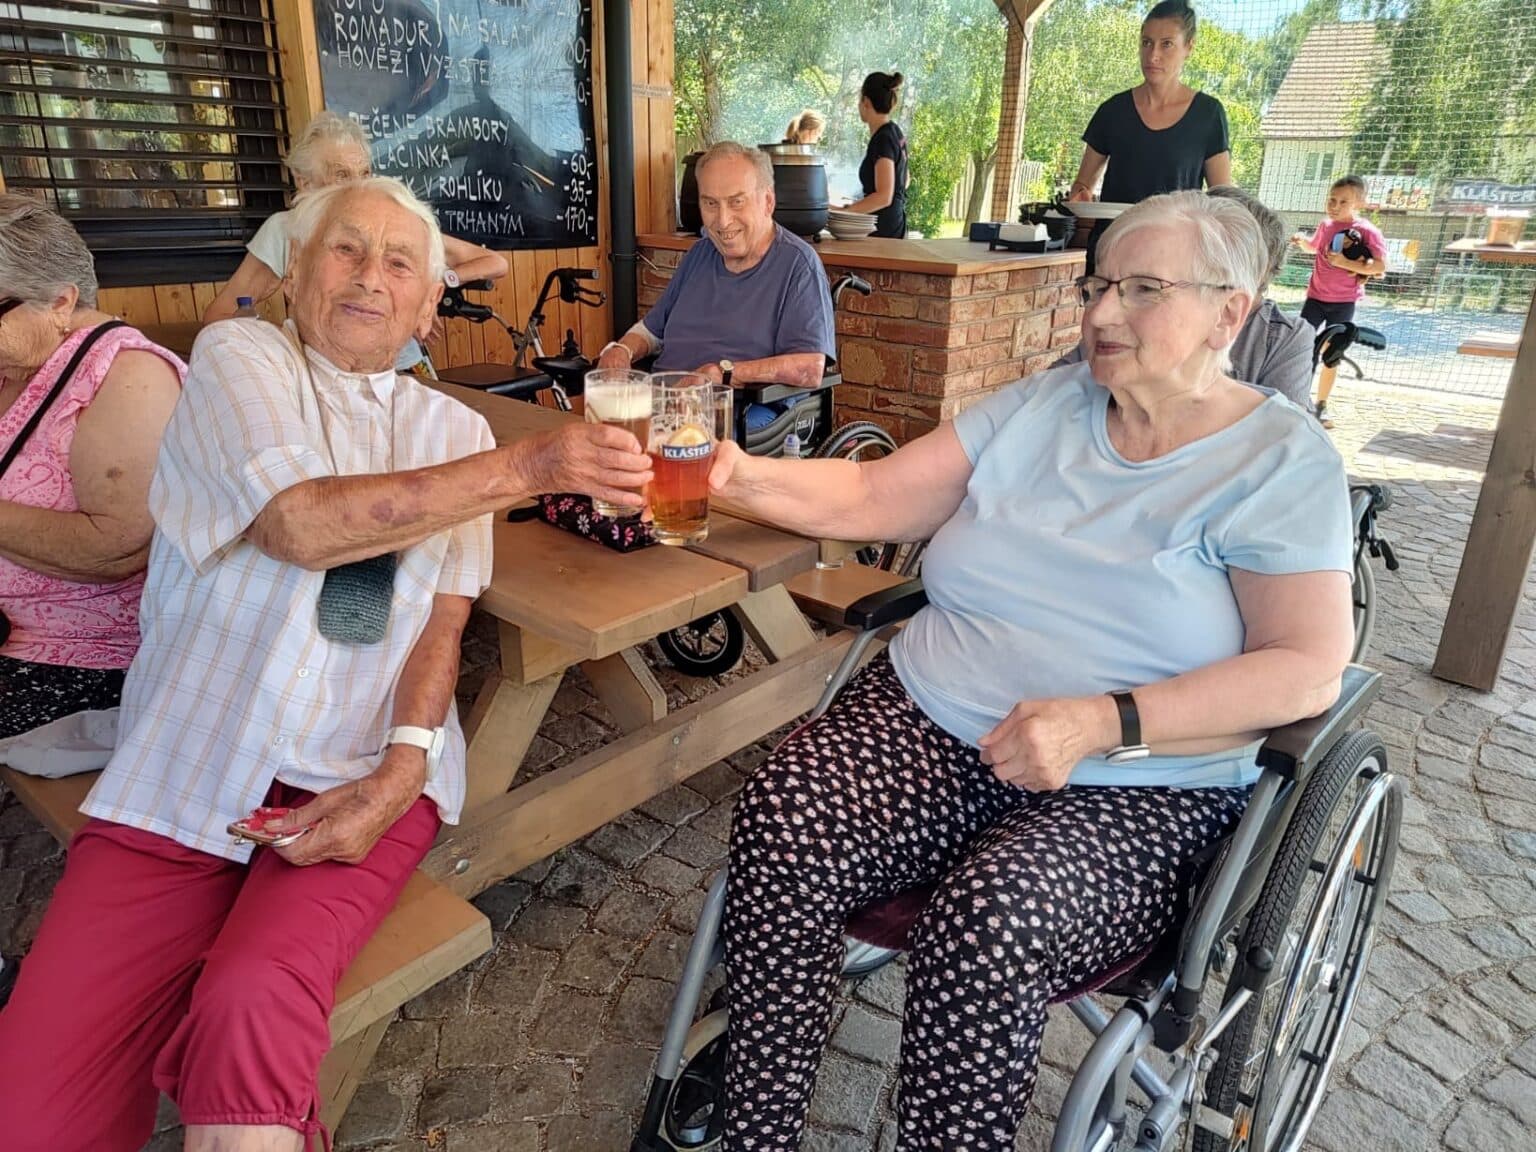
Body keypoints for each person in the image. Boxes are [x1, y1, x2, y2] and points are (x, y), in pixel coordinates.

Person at [0, 177, 652, 1152]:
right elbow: (300, 524)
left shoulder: (455, 432)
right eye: (345, 250)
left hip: (360, 763)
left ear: (429, 308)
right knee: (33, 1097)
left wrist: (404, 765)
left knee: (252, 1004)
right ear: (297, 274)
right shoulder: (237, 359)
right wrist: (533, 467)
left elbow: (441, 625)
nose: (369, 277)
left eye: (401, 263)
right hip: (191, 755)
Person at [704, 191, 1355, 1150]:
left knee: (988, 923)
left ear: (1230, 312)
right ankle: (753, 1126)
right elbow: (874, 492)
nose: (1102, 313)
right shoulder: (1045, 404)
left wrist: (1102, 719)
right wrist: (731, 474)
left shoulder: (1278, 463)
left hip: (1137, 783)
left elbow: (1305, 669)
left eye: (1142, 290)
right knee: (784, 816)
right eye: (1099, 286)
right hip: (934, 720)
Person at [0, 195, 184, 742]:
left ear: (60, 301)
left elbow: (117, 548)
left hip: (85, 663)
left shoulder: (128, 376)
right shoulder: (18, 361)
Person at [203, 111, 509, 371]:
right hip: (322, 377)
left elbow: (494, 262)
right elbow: (219, 316)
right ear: (304, 181)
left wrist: (428, 295)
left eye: (364, 173)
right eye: (341, 175)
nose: (358, 186)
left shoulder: (394, 223)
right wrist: (283, 345)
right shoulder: (286, 230)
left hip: (400, 369)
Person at [597, 141, 835, 433]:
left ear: (767, 202)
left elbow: (810, 368)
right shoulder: (700, 253)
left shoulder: (798, 264)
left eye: (737, 202)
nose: (723, 221)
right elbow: (651, 331)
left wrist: (722, 373)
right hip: (666, 404)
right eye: (711, 203)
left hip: (734, 411)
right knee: (593, 428)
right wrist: (621, 350)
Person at [1052, 184, 1314, 412]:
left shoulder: (1281, 336)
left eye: (1146, 288)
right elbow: (1062, 380)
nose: (1101, 315)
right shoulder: (1125, 317)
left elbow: (1278, 429)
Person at [1068, 1, 1232, 271]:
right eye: (1146, 42)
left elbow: (1223, 199)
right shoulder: (1112, 110)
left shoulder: (1208, 114)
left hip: (1173, 261)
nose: (1153, 55)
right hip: (1112, 254)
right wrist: (1080, 197)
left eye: (1167, 44)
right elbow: (1081, 186)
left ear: (1189, 47)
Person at [1290, 173, 1386, 427]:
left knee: (1332, 353)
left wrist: (1345, 262)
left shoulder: (1367, 232)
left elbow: (1379, 266)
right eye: (1331, 200)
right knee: (1304, 348)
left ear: (1359, 203)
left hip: (1343, 302)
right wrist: (1302, 242)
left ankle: (1321, 405)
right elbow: (1315, 247)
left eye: (1343, 202)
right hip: (1315, 298)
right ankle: (1299, 400)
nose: (1335, 206)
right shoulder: (1326, 226)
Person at [843, 70, 910, 238]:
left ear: (866, 101)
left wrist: (846, 213)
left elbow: (883, 197)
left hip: (883, 232)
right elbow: (905, 180)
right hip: (895, 226)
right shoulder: (895, 132)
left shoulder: (883, 140)